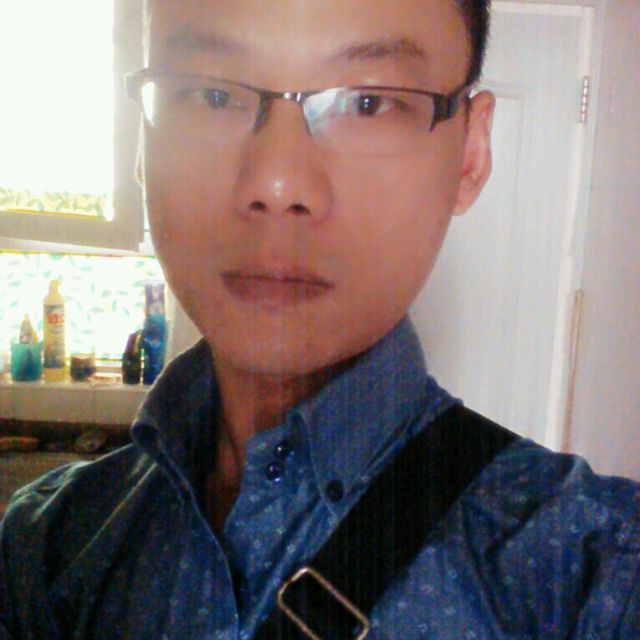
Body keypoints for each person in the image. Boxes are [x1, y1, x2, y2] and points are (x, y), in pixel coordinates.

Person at [1, 0, 638, 638]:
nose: (278, 184)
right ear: (140, 141)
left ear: (470, 154)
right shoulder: (48, 551)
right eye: (211, 94)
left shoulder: (592, 571)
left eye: (368, 103)